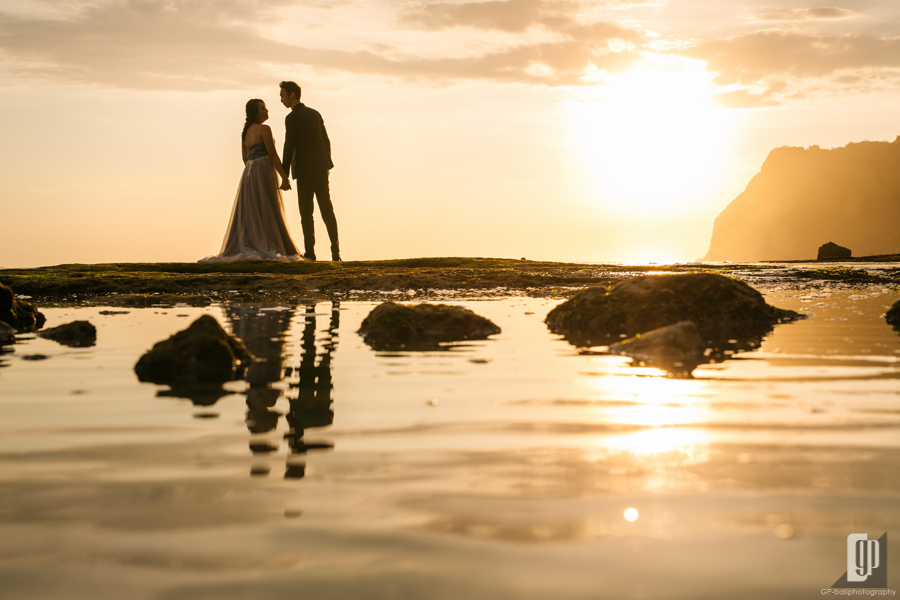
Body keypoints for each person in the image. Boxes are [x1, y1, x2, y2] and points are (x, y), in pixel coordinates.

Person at [200, 99, 303, 263]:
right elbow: (273, 155)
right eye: (263, 108)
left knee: (252, 210)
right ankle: (268, 243)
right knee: (267, 207)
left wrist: (252, 170)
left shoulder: (245, 133)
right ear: (255, 114)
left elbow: (245, 158)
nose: (266, 110)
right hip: (263, 170)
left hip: (249, 172)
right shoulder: (264, 129)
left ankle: (254, 240)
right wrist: (284, 177)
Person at [280, 81, 341, 262]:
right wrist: (327, 166)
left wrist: (284, 174)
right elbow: (326, 142)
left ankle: (310, 253)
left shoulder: (291, 118)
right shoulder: (315, 114)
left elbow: (288, 145)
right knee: (327, 210)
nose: (281, 100)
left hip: (304, 170)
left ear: (292, 95)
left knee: (306, 213)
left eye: (282, 95)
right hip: (321, 169)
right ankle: (336, 252)